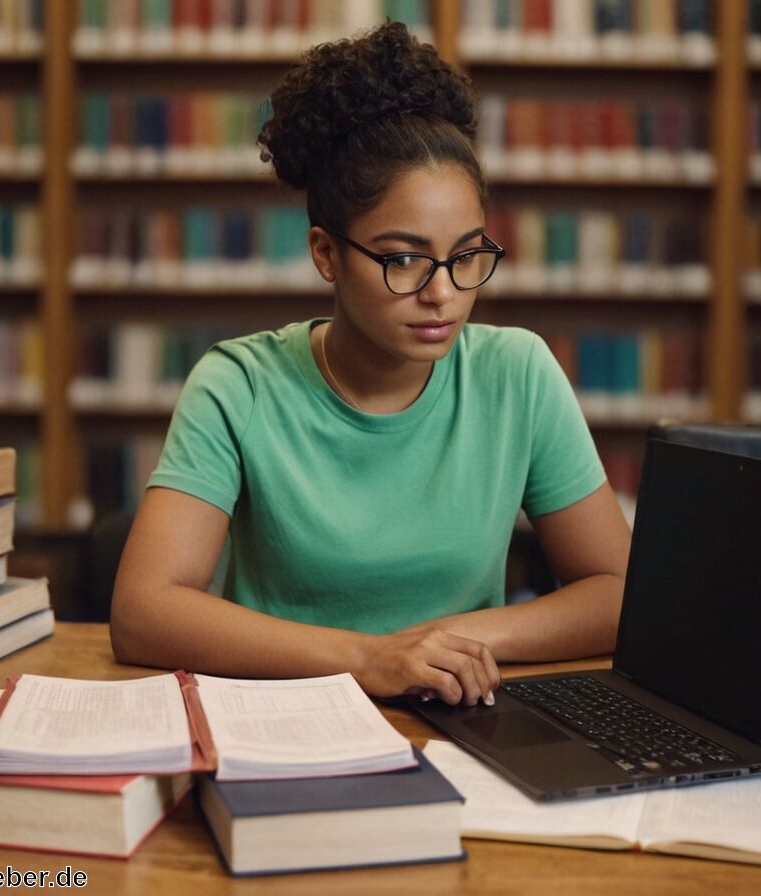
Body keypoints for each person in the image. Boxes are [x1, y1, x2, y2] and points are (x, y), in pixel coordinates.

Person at [110, 21, 631, 707]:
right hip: (281, 716)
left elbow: (620, 595)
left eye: (467, 255)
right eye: (404, 259)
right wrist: (367, 658)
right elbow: (143, 612)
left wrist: (450, 643)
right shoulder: (238, 384)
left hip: (460, 712)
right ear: (326, 253)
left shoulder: (517, 373)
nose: (442, 291)